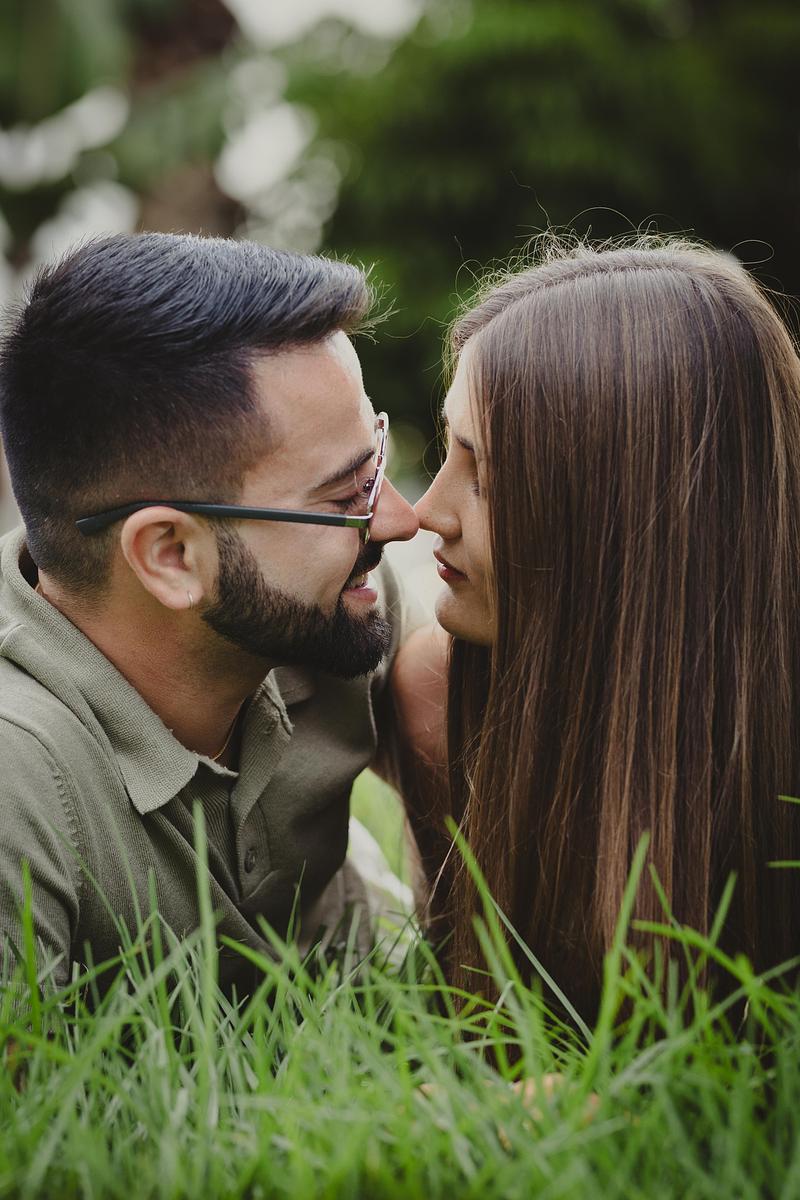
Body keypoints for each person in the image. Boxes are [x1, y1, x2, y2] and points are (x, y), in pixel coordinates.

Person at [0, 232, 422, 995]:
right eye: (345, 495)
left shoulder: (336, 608)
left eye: (377, 462)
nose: (399, 521)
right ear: (170, 554)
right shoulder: (17, 777)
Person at [398, 237, 800, 1018]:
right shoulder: (439, 696)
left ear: (619, 518)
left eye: (483, 474)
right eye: (446, 452)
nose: (425, 512)